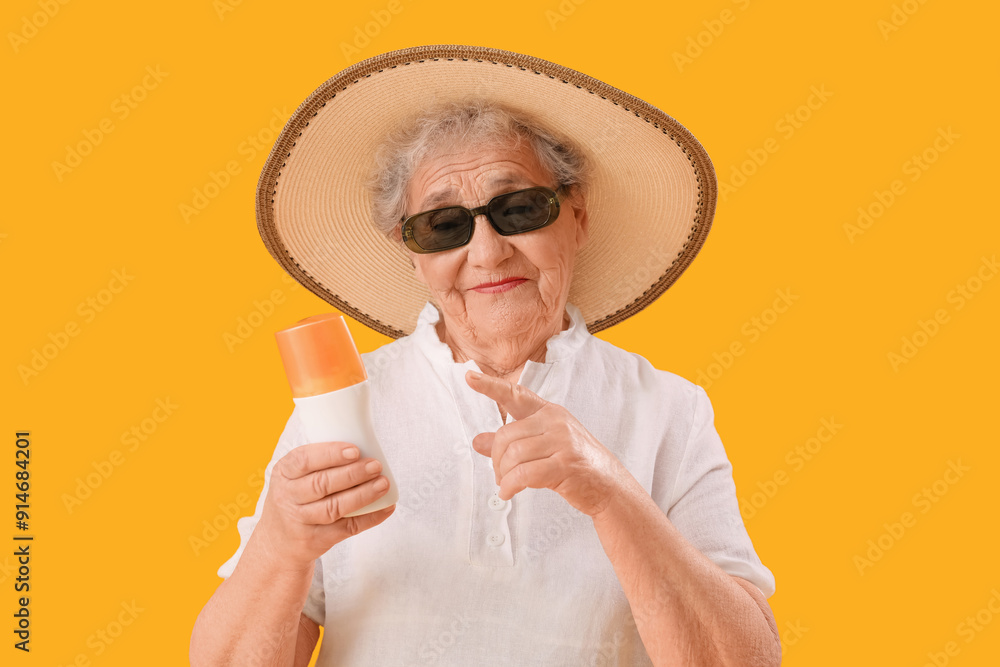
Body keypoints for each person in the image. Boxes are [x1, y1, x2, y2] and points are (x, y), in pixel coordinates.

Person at [191, 44, 780, 667]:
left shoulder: (671, 411)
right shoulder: (338, 412)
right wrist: (279, 547)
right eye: (443, 225)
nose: (488, 252)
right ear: (411, 251)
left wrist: (612, 494)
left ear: (577, 217)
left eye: (518, 209)